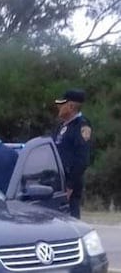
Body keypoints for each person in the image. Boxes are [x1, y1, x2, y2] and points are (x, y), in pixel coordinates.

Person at [53, 88, 91, 219]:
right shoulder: (62, 126)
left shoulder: (81, 126)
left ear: (71, 106)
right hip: (57, 182)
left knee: (70, 221)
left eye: (61, 104)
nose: (58, 107)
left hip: (69, 184)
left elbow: (82, 159)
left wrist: (70, 185)